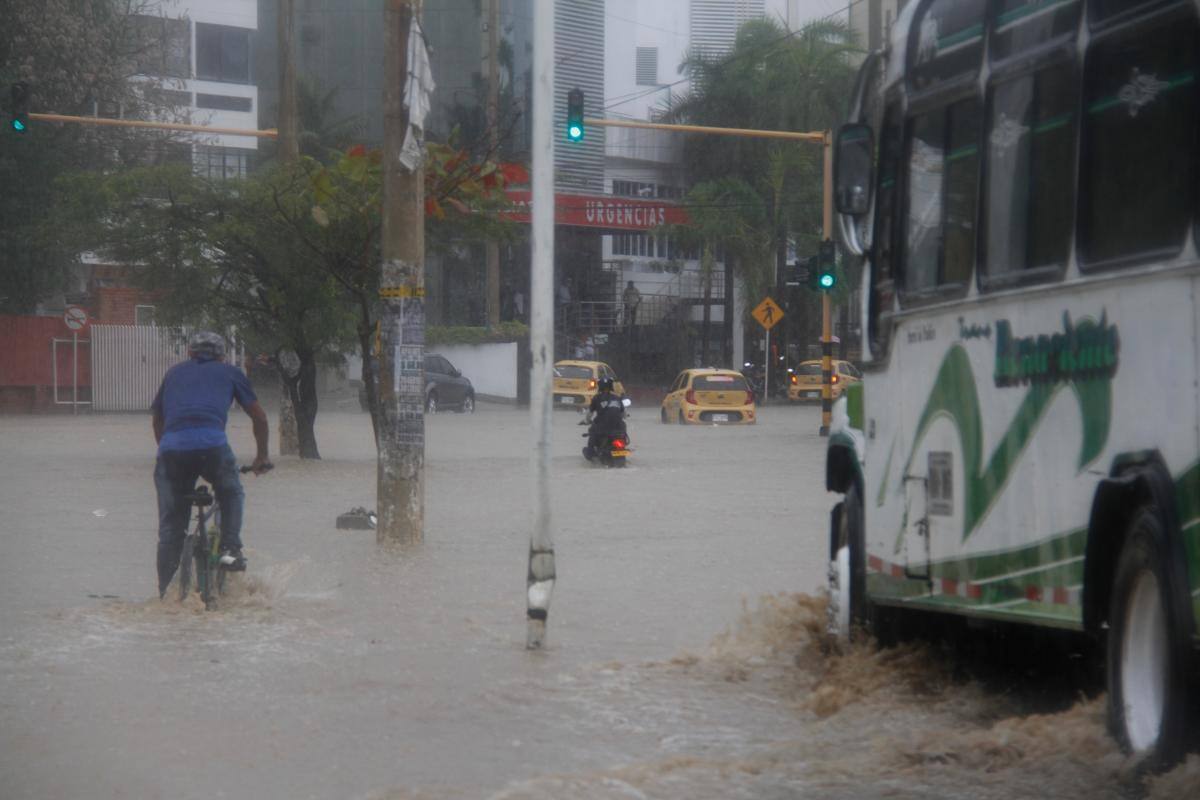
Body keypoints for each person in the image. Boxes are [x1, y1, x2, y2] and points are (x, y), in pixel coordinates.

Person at [152, 331, 270, 598]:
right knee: (231, 492)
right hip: (212, 448)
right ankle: (230, 549)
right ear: (221, 355)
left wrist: (167, 452)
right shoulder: (230, 372)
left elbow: (157, 420)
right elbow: (260, 418)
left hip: (172, 452)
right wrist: (262, 457)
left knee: (171, 530)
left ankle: (166, 596)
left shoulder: (173, 374)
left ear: (190, 354)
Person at [583, 376, 627, 460]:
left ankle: (590, 452)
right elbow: (624, 414)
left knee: (592, 432)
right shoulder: (617, 398)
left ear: (600, 386)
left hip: (602, 428)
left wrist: (586, 421)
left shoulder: (597, 398)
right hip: (618, 428)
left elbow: (589, 413)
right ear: (611, 386)